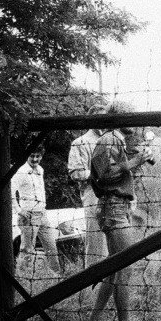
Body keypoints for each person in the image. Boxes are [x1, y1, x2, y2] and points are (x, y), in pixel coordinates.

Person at [88, 101, 152, 321]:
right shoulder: (109, 139)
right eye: (130, 115)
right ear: (119, 117)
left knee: (115, 267)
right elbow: (105, 176)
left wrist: (137, 160)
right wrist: (135, 161)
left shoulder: (117, 140)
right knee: (124, 267)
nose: (134, 119)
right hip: (112, 206)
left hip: (117, 206)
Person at [67, 104, 108, 266]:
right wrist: (97, 174)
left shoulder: (110, 140)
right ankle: (93, 286)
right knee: (96, 245)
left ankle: (110, 288)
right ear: (91, 120)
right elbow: (75, 173)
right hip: (94, 195)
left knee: (114, 243)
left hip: (114, 195)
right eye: (100, 118)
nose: (104, 122)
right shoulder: (81, 142)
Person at [12, 148, 63, 276]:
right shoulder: (21, 171)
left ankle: (56, 275)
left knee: (51, 245)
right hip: (29, 215)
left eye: (38, 156)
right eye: (32, 156)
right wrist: (19, 210)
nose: (35, 159)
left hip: (42, 213)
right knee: (27, 249)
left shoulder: (40, 170)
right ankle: (23, 277)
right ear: (27, 155)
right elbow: (10, 191)